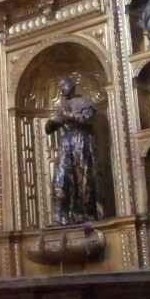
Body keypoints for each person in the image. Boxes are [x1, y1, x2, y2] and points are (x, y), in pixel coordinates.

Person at [45, 76, 98, 225]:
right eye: (60, 88)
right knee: (61, 177)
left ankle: (85, 214)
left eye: (64, 86)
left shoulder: (85, 102)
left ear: (72, 85)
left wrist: (68, 116)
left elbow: (87, 119)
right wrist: (53, 120)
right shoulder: (61, 107)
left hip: (82, 141)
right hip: (66, 142)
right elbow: (48, 129)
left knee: (83, 178)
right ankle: (60, 215)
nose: (62, 90)